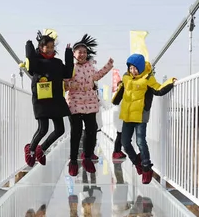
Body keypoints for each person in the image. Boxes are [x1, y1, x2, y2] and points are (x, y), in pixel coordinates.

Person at [112, 54, 176, 184]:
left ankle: (147, 168)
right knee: (125, 142)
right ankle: (137, 162)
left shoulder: (148, 78)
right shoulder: (126, 78)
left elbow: (158, 89)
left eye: (135, 68)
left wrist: (170, 82)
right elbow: (121, 90)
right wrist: (115, 100)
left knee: (141, 142)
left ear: (141, 68)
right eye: (130, 68)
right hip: (127, 116)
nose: (133, 71)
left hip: (141, 115)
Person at [64, 34, 113, 176]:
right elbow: (65, 85)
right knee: (76, 131)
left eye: (85, 52)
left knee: (92, 129)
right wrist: (76, 86)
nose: (82, 54)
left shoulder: (90, 67)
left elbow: (96, 76)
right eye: (79, 52)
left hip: (90, 102)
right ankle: (73, 161)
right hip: (75, 102)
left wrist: (108, 66)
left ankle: (87, 157)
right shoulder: (70, 67)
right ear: (74, 54)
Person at [23, 30, 74, 167]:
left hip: (56, 99)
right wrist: (29, 46)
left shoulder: (57, 63)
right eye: (48, 47)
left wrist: (68, 53)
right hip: (42, 100)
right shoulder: (36, 62)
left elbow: (68, 72)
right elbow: (31, 65)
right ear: (41, 47)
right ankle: (31, 150)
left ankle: (42, 149)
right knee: (43, 129)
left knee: (60, 129)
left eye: (52, 47)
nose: (51, 50)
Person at [111, 80, 127, 160]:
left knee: (119, 134)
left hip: (118, 116)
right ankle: (116, 152)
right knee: (120, 134)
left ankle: (118, 151)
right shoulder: (118, 94)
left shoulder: (117, 94)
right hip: (119, 116)